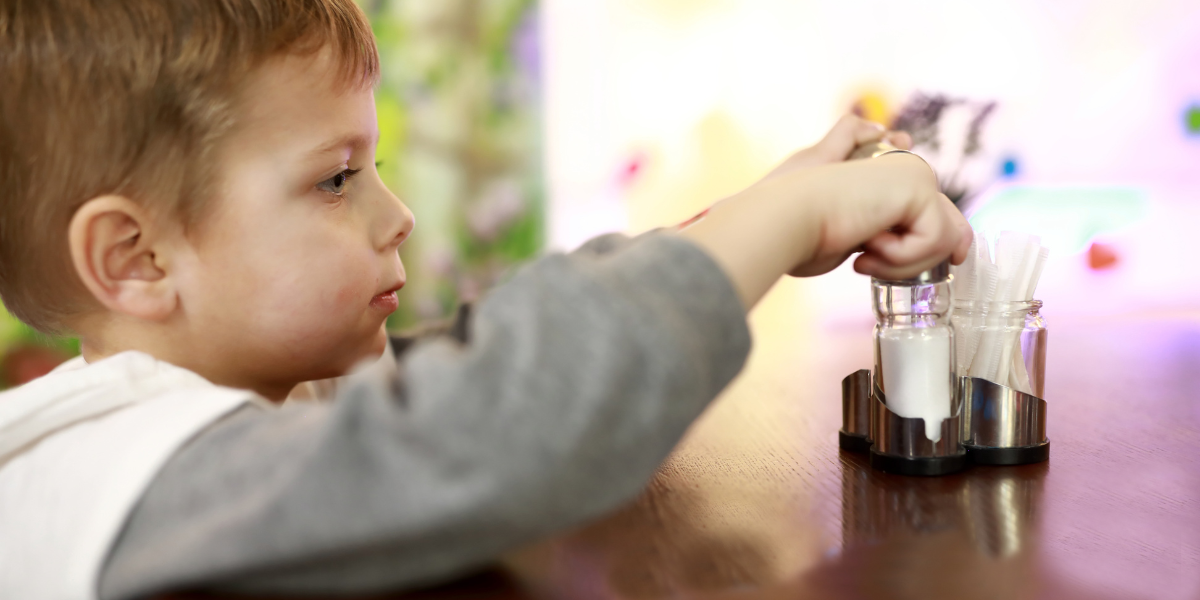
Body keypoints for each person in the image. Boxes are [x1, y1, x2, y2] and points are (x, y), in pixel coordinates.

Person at [0, 1, 970, 598]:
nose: (400, 215)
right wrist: (787, 219)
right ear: (135, 256)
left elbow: (486, 354)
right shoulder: (109, 476)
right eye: (336, 179)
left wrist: (759, 212)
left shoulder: (268, 397)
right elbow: (494, 426)